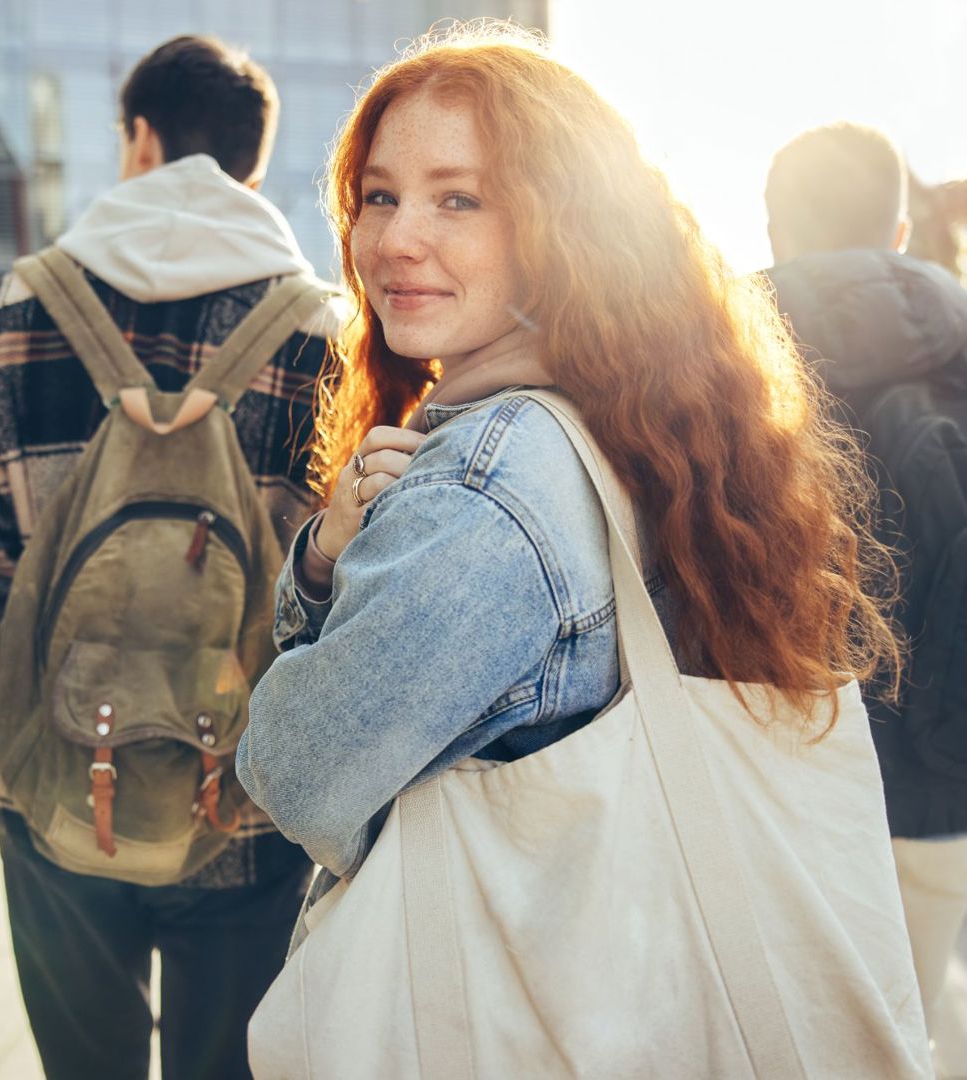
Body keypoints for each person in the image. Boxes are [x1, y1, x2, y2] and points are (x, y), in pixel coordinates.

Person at [235, 23, 924, 1072]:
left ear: (563, 225)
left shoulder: (488, 482)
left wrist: (317, 569)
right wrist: (341, 555)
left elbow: (296, 772)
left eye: (457, 199)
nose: (394, 240)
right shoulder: (633, 416)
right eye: (378, 195)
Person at [0, 35, 339, 1080]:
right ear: (251, 160)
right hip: (241, 790)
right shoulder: (320, 331)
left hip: (55, 775)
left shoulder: (15, 311)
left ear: (140, 139)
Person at [764, 122, 967, 1044]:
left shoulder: (716, 365)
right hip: (945, 775)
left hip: (773, 771)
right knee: (922, 1015)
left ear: (774, 230)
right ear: (896, 233)